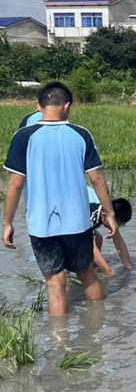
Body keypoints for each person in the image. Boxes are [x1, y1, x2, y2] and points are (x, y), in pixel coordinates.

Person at [3, 82, 118, 316]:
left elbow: (15, 184)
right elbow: (96, 178)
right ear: (68, 105)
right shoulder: (81, 134)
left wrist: (7, 223)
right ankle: (100, 333)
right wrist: (110, 213)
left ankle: (61, 346)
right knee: (86, 273)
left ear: (39, 105)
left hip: (42, 224)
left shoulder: (24, 136)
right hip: (77, 222)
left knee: (55, 284)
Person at [88, 186, 133, 277]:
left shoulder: (107, 209)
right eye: (118, 224)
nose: (118, 227)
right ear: (104, 215)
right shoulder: (91, 214)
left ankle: (95, 265)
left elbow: (118, 239)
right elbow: (90, 247)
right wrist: (110, 273)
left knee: (98, 238)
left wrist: (129, 269)